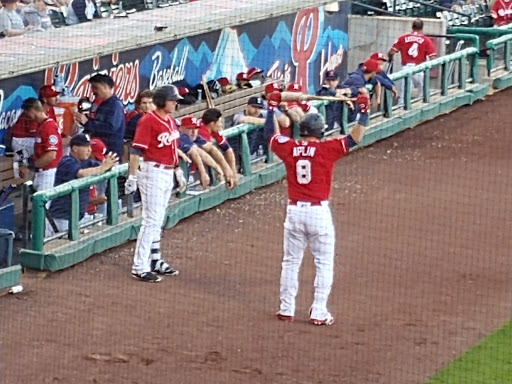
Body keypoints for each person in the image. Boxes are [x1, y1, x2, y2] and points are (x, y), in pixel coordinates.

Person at [263, 90, 370, 326]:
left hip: (294, 212)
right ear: (320, 132)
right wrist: (364, 112)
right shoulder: (326, 149)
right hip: (318, 213)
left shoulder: (289, 148)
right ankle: (318, 312)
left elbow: (270, 135)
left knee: (291, 262)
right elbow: (355, 138)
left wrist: (271, 109)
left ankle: (286, 309)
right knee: (324, 263)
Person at [125, 85, 184, 283]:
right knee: (151, 221)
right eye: (173, 99)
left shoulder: (171, 120)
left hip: (167, 172)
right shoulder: (148, 121)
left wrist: (178, 170)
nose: (176, 102)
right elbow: (136, 150)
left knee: (158, 220)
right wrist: (132, 176)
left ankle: (155, 260)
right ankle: (139, 266)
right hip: (152, 172)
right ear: (162, 101)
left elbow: (173, 149)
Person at [46, 133, 118, 237]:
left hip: (75, 217)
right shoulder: (66, 162)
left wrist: (109, 164)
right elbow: (82, 174)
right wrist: (103, 167)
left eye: (89, 146)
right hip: (60, 219)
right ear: (75, 148)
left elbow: (103, 167)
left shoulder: (86, 162)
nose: (89, 150)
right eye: (85, 147)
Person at [73, 74, 125, 159]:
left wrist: (87, 122)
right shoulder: (103, 104)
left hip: (109, 153)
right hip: (99, 151)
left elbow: (111, 129)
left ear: (105, 87)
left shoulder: (115, 105)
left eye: (96, 88)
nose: (93, 91)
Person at [388, 18, 437, 105]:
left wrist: (390, 59)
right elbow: (433, 57)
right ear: (422, 28)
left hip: (406, 69)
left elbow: (391, 52)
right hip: (420, 68)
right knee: (423, 94)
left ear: (412, 27)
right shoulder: (426, 40)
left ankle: (401, 110)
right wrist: (429, 68)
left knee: (404, 95)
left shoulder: (402, 38)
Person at [22, 98, 63, 192]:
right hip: (42, 173)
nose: (27, 116)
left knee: (43, 205)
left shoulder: (49, 127)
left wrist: (30, 167)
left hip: (48, 174)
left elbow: (51, 155)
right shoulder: (42, 125)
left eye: (27, 113)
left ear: (32, 111)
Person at [179, 115, 225, 189]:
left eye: (196, 128)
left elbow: (209, 148)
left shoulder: (194, 136)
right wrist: (204, 173)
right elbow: (196, 152)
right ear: (181, 128)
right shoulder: (181, 137)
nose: (194, 132)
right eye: (190, 128)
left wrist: (220, 168)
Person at [198, 108, 237, 189]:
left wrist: (233, 173)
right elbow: (209, 151)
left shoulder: (212, 129)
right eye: (219, 122)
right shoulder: (201, 131)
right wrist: (224, 169)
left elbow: (227, 149)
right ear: (212, 124)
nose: (221, 125)